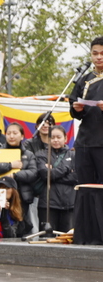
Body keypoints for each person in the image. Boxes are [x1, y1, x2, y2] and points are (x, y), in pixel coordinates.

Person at [0, 122, 37, 233]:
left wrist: (15, 175)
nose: (11, 136)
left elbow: (33, 173)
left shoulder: (29, 154)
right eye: (8, 133)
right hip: (1, 194)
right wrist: (9, 165)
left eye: (15, 133)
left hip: (21, 196)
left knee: (20, 227)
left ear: (22, 136)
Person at [69, 36, 103, 185]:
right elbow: (73, 102)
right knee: (85, 185)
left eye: (102, 53)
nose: (99, 57)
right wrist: (76, 109)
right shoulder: (84, 79)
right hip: (85, 140)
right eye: (95, 53)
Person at [35, 125, 76, 232]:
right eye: (52, 137)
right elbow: (45, 175)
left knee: (67, 240)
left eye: (59, 137)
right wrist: (67, 169)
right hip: (48, 205)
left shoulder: (74, 155)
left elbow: (77, 177)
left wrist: (54, 171)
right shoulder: (41, 155)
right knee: (46, 240)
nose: (55, 140)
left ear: (65, 138)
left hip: (69, 205)